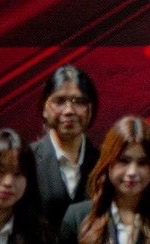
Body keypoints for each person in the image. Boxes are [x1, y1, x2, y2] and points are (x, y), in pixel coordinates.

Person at [30, 64, 101, 232]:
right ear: (44, 108)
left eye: (79, 102)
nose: (69, 111)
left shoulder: (104, 162)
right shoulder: (26, 160)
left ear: (91, 109)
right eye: (60, 101)